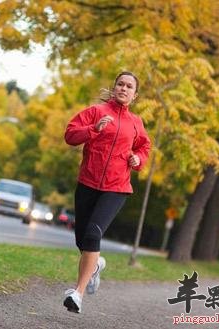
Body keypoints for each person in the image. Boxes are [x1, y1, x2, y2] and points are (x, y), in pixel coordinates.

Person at [63, 71, 151, 313]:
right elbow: (70, 135)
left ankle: (77, 294)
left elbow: (144, 146)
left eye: (129, 86)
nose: (123, 88)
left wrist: (138, 159)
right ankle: (96, 265)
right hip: (87, 183)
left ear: (135, 95)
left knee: (93, 235)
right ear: (114, 88)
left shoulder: (136, 122)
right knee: (82, 241)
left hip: (117, 187)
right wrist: (93, 129)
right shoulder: (96, 112)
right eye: (120, 84)